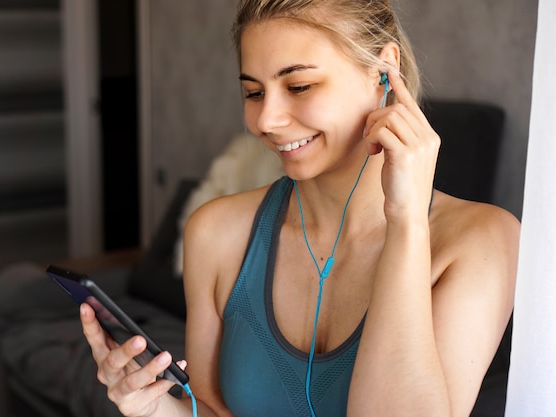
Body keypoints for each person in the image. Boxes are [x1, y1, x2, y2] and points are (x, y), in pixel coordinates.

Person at [79, 0, 520, 416]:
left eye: (299, 86)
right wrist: (158, 407)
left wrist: (405, 225)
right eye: (253, 93)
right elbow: (213, 411)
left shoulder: (481, 240)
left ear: (384, 70)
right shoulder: (216, 233)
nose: (266, 121)